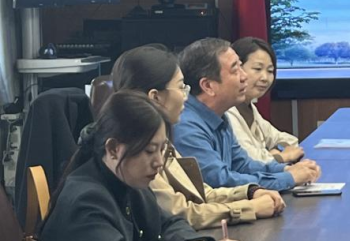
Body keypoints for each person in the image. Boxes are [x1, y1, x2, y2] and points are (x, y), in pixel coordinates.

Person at [27, 92, 241, 241]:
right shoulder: (85, 198)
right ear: (113, 149)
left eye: (162, 150)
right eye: (149, 151)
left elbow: (168, 223)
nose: (159, 162)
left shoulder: (128, 180)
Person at [112, 44, 285, 228]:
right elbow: (180, 213)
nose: (186, 97)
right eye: (181, 88)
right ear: (155, 97)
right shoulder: (138, 150)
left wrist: (250, 192)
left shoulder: (163, 139)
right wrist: (250, 208)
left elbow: (201, 192)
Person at [173, 38, 320, 191]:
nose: (244, 77)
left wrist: (285, 170)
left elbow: (243, 165)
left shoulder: (220, 115)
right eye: (235, 70)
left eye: (241, 67)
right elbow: (220, 181)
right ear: (208, 86)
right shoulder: (186, 126)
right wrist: (289, 178)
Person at [226, 37, 304, 165]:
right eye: (257, 69)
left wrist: (276, 150)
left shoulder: (249, 107)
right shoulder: (226, 111)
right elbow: (250, 159)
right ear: (236, 69)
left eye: (270, 71)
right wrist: (281, 157)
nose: (265, 78)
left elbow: (289, 141)